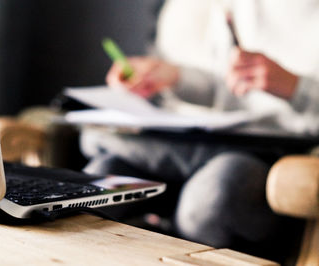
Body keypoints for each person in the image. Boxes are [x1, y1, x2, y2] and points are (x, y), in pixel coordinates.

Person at [80, 0, 319, 261]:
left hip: (274, 149)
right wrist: (174, 77)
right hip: (220, 134)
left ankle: (115, 142)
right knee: (102, 176)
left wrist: (298, 89)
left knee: (216, 190)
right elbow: (229, 92)